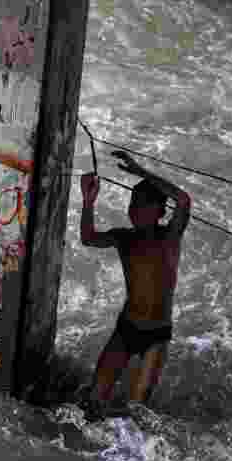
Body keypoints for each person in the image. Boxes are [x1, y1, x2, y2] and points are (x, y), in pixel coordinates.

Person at [78, 150, 192, 419]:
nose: (134, 210)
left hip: (156, 335)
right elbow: (88, 238)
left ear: (159, 211)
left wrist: (140, 171)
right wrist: (88, 201)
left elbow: (184, 200)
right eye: (132, 204)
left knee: (136, 411)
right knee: (94, 400)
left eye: (141, 204)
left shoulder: (169, 238)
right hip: (126, 328)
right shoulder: (124, 238)